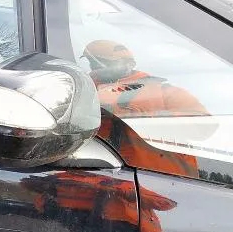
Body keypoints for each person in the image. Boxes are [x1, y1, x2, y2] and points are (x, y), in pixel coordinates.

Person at [82, 39, 206, 178]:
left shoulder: (164, 91)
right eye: (93, 63)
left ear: (130, 64)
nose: (95, 68)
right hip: (101, 175)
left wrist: (133, 116)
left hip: (163, 180)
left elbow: (204, 128)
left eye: (104, 63)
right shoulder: (84, 90)